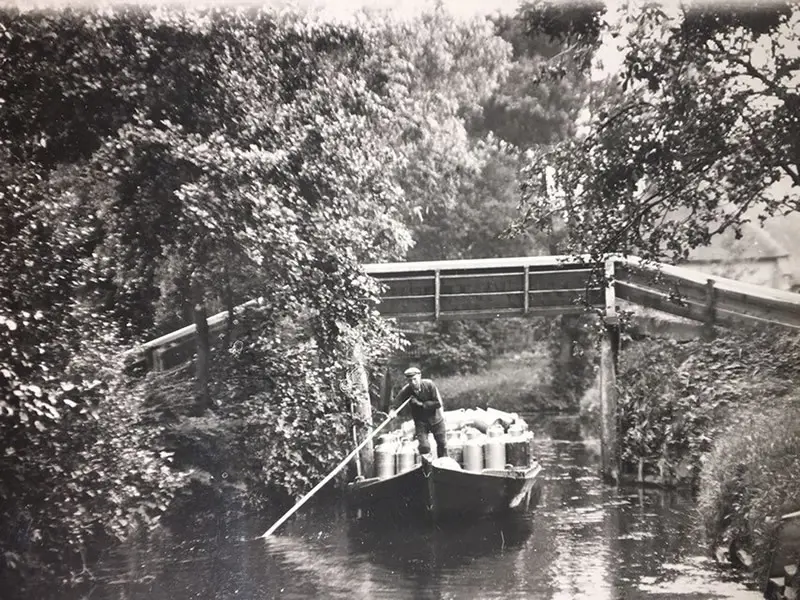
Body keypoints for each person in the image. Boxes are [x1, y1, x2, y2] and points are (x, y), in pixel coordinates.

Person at [391, 366, 447, 459]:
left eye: (414, 379)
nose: (413, 383)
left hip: (436, 419)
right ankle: (427, 469)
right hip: (421, 422)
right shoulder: (407, 390)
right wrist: (392, 411)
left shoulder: (429, 385)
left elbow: (438, 403)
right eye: (410, 381)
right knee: (424, 447)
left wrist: (420, 404)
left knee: (442, 444)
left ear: (420, 377)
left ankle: (443, 466)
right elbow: (397, 402)